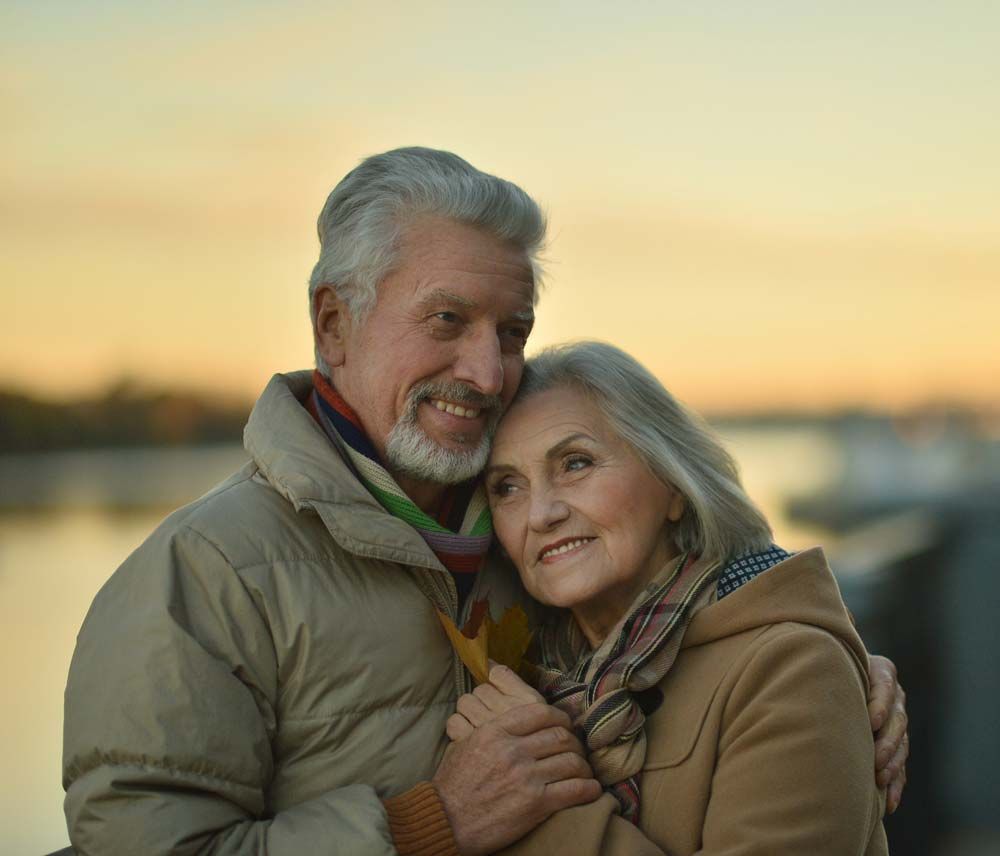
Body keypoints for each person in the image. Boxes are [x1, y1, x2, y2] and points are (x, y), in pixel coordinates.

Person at [62, 148, 907, 855]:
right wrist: (431, 825)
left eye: (511, 332)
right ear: (333, 326)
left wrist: (829, 671)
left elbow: (697, 628)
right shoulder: (207, 575)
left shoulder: (525, 545)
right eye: (447, 319)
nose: (488, 372)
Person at [447, 340, 890, 854]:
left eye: (575, 463)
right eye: (506, 487)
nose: (540, 513)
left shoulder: (791, 667)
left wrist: (544, 800)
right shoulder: (519, 678)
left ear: (674, 486)